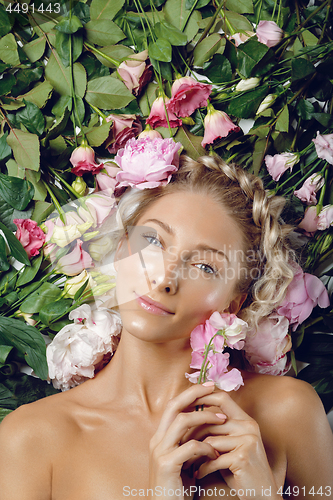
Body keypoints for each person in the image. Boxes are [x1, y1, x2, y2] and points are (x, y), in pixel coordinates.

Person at [0, 153, 332, 500]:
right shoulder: (33, 437)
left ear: (233, 305)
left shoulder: (287, 412)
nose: (165, 279)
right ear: (122, 247)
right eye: (154, 241)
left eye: (205, 267)